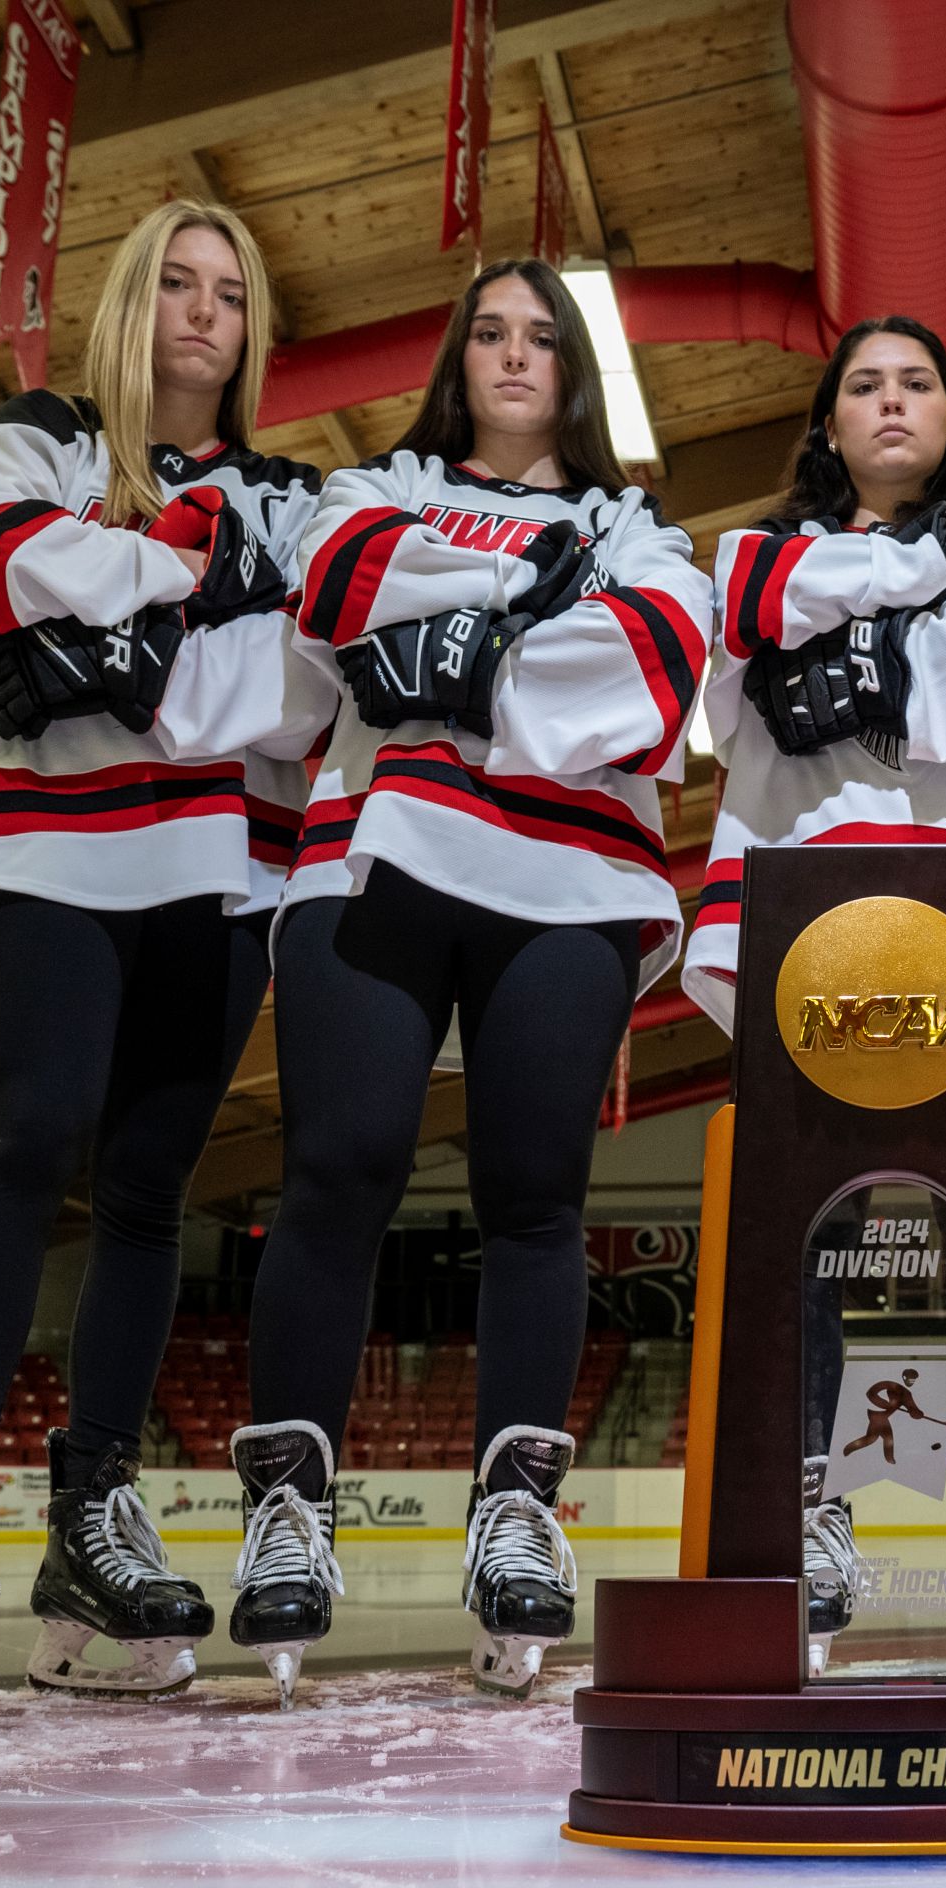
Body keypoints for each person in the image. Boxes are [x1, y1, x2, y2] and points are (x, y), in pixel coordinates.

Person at [0, 199, 325, 1721]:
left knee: (147, 1189)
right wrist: (195, 589)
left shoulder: (290, 496)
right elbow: (1, 566)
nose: (204, 313)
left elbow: (297, 681)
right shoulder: (30, 438)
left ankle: (90, 1529)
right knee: (30, 1133)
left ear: (255, 326)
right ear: (132, 300)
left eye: (230, 292)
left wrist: (120, 612)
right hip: (39, 837)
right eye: (177, 284)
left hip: (218, 863)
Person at [232, 259, 711, 1701]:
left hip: (572, 886)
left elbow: (655, 665)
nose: (515, 356)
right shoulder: (364, 489)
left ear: (578, 368)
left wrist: (450, 649)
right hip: (375, 861)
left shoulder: (644, 532)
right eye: (490, 333)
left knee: (535, 1196)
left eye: (542, 337)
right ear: (459, 357)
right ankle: (288, 1516)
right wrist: (533, 607)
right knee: (339, 1170)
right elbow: (340, 592)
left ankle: (517, 1513)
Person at [697, 316, 946, 1670]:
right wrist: (933, 617)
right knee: (812, 1226)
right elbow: (740, 656)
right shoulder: (752, 552)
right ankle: (820, 1505)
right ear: (825, 422)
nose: (890, 402)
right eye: (863, 384)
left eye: (917, 383)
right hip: (804, 892)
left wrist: (864, 661)